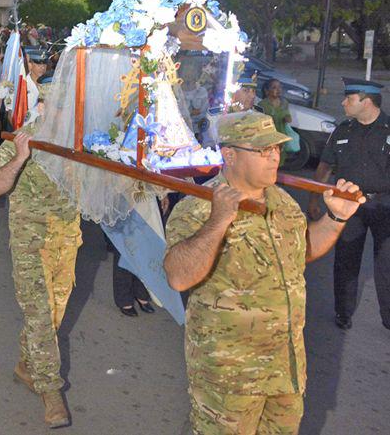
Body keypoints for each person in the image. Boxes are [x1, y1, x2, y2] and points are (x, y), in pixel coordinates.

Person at [164, 110, 364, 434]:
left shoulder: (282, 202)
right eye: (262, 150)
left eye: (276, 148)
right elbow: (178, 276)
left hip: (285, 368)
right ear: (229, 155)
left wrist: (336, 219)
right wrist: (219, 220)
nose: (274, 156)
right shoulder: (198, 206)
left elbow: (302, 251)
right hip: (230, 379)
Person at [0, 114, 78, 428]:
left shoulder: (80, 139)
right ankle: (50, 390)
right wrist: (21, 157)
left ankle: (27, 364)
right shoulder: (23, 138)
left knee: (54, 313)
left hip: (66, 239)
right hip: (31, 242)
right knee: (40, 314)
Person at [311, 77, 390, 331]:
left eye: (349, 98)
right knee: (345, 261)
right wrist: (314, 198)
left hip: (385, 207)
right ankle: (343, 312)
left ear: (367, 101)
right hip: (348, 206)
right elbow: (325, 165)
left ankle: (388, 317)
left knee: (386, 264)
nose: (343, 102)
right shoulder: (343, 130)